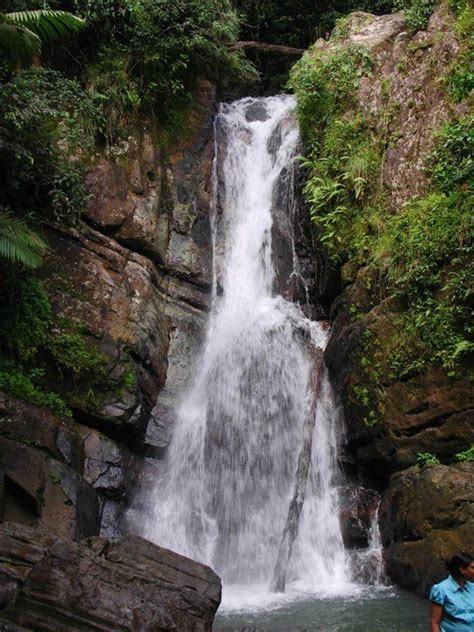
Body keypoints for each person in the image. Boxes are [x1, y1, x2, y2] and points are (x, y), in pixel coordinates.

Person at [429, 552, 474, 632]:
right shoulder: (441, 590)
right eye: (472, 568)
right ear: (462, 569)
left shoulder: (472, 588)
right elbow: (434, 623)